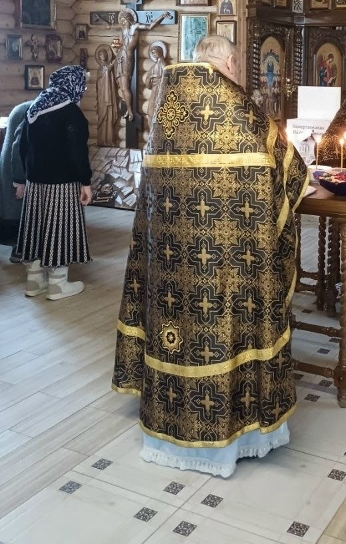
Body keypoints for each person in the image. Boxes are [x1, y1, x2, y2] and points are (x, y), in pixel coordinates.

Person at [112, 34, 309, 478]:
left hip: (173, 265)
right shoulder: (240, 109)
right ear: (230, 62)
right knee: (229, 329)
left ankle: (168, 432)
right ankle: (238, 435)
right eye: (237, 64)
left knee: (176, 332)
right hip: (230, 265)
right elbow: (292, 170)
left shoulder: (168, 108)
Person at [15, 66, 91, 300]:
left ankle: (34, 281)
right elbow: (77, 151)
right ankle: (58, 285)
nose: (84, 89)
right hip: (63, 183)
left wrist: (25, 177)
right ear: (73, 84)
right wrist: (85, 182)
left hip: (35, 182)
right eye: (83, 84)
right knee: (60, 228)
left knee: (36, 228)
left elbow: (23, 147)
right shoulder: (71, 112)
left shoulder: (34, 108)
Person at [115, 10, 170, 121]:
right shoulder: (122, 31)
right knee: (122, 88)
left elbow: (150, 26)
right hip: (120, 58)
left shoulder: (135, 27)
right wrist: (115, 48)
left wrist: (162, 16)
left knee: (125, 87)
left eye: (124, 20)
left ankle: (130, 111)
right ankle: (128, 108)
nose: (123, 23)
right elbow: (119, 46)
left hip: (127, 59)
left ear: (129, 19)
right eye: (121, 21)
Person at [0, 100, 31, 255]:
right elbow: (19, 146)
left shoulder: (22, 108)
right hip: (17, 168)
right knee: (18, 209)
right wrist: (20, 179)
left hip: (9, 164)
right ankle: (20, 249)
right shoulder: (30, 110)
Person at [95, 46, 119, 147]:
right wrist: (117, 56)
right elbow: (108, 69)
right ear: (99, 57)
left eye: (104, 53)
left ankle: (109, 140)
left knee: (109, 118)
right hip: (103, 96)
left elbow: (110, 70)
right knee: (104, 117)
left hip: (109, 95)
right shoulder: (102, 67)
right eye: (101, 54)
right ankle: (102, 140)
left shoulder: (106, 66)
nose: (103, 55)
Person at [142, 41, 167, 125]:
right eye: (152, 53)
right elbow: (148, 84)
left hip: (160, 90)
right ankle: (152, 130)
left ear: (160, 52)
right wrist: (150, 77)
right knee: (151, 111)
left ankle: (155, 130)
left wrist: (157, 78)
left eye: (154, 52)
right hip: (154, 90)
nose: (153, 54)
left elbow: (166, 76)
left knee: (158, 110)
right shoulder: (153, 67)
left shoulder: (163, 64)